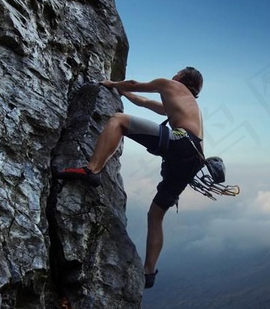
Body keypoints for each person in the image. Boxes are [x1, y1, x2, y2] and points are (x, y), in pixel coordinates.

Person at [55, 67, 205, 289]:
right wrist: (122, 92)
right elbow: (142, 100)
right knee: (155, 215)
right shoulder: (183, 103)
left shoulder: (171, 85)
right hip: (194, 159)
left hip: (181, 143)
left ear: (182, 78)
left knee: (118, 120)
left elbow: (135, 84)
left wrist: (113, 83)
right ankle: (149, 272)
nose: (174, 74)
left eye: (179, 72)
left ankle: (92, 170)